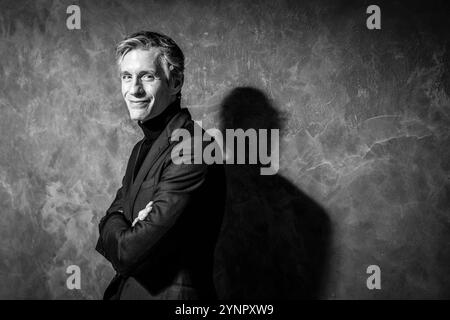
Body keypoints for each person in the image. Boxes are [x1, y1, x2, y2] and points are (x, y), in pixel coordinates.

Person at [95, 31, 226, 300]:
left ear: (175, 81)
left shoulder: (194, 148)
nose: (134, 89)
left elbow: (127, 253)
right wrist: (117, 221)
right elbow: (111, 218)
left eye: (147, 76)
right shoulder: (141, 149)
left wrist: (118, 224)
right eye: (127, 76)